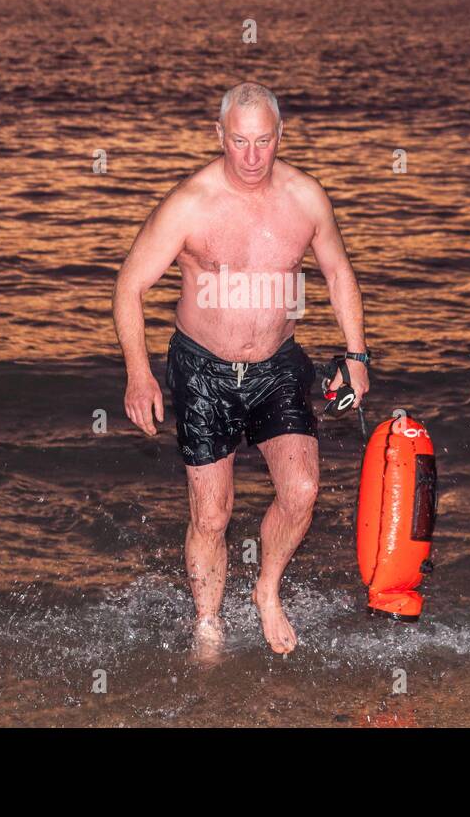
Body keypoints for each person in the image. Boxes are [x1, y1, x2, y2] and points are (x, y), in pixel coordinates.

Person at [112, 81, 370, 655]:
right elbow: (129, 286)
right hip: (202, 368)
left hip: (278, 365)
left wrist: (355, 356)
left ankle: (267, 590)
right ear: (219, 136)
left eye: (263, 142)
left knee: (301, 491)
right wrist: (139, 373)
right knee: (213, 513)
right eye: (239, 142)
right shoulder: (190, 203)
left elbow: (339, 274)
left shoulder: (306, 198)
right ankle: (208, 622)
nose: (251, 157)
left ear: (280, 136)